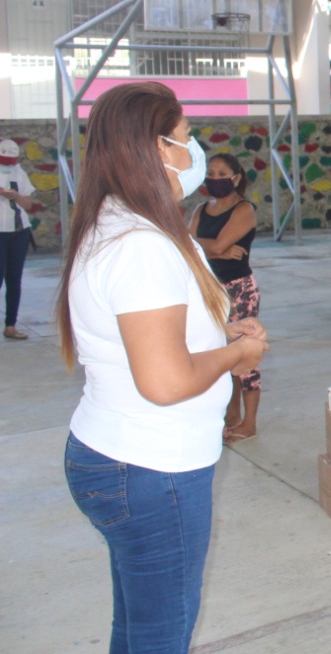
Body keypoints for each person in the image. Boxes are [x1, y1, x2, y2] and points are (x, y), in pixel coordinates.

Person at [58, 82, 269, 651]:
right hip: (152, 468)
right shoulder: (142, 244)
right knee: (161, 632)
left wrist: (218, 330)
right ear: (153, 149)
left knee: (139, 624)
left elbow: (145, 335)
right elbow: (166, 381)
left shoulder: (121, 222)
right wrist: (237, 355)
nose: (194, 150)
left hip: (123, 457)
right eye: (183, 138)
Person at [189, 153, 263, 443]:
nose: (215, 179)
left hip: (238, 289)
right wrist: (217, 251)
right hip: (209, 288)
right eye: (212, 173)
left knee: (246, 355)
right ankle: (231, 414)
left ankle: (249, 422)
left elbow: (205, 243)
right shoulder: (201, 208)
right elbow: (186, 244)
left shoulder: (244, 210)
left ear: (236, 178)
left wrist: (209, 248)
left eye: (222, 174)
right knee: (219, 352)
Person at [0, 138, 36, 340]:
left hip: (18, 231)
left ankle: (10, 325)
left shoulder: (18, 172)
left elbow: (29, 204)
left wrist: (15, 197)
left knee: (14, 279)